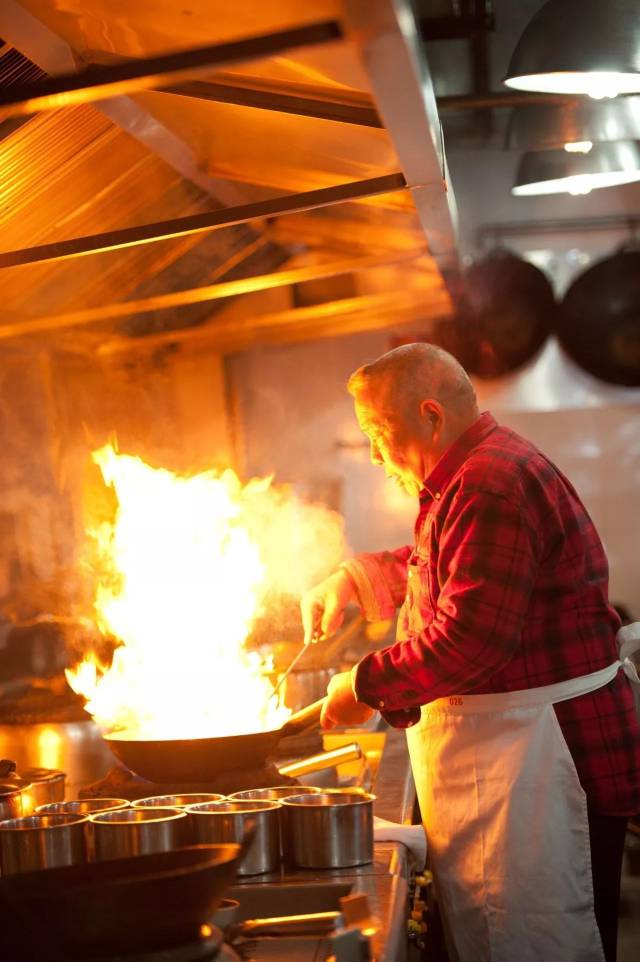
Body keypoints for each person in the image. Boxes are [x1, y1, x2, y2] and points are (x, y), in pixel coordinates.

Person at [301, 343, 640, 962]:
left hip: (546, 763)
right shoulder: (472, 471)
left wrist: (364, 686)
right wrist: (355, 578)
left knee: (547, 942)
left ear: (430, 415)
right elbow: (452, 567)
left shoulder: (489, 481)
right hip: (519, 761)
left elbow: (472, 637)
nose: (375, 455)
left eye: (379, 433)